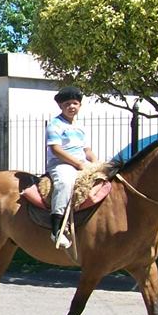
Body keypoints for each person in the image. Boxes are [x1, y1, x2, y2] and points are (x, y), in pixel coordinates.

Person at [46, 86, 97, 249]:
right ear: (60, 106)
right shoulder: (55, 124)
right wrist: (78, 164)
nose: (71, 107)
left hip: (81, 164)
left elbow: (87, 150)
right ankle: (57, 229)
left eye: (75, 103)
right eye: (67, 103)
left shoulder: (80, 127)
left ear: (80, 106)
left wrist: (96, 163)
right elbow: (56, 149)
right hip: (62, 164)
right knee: (64, 184)